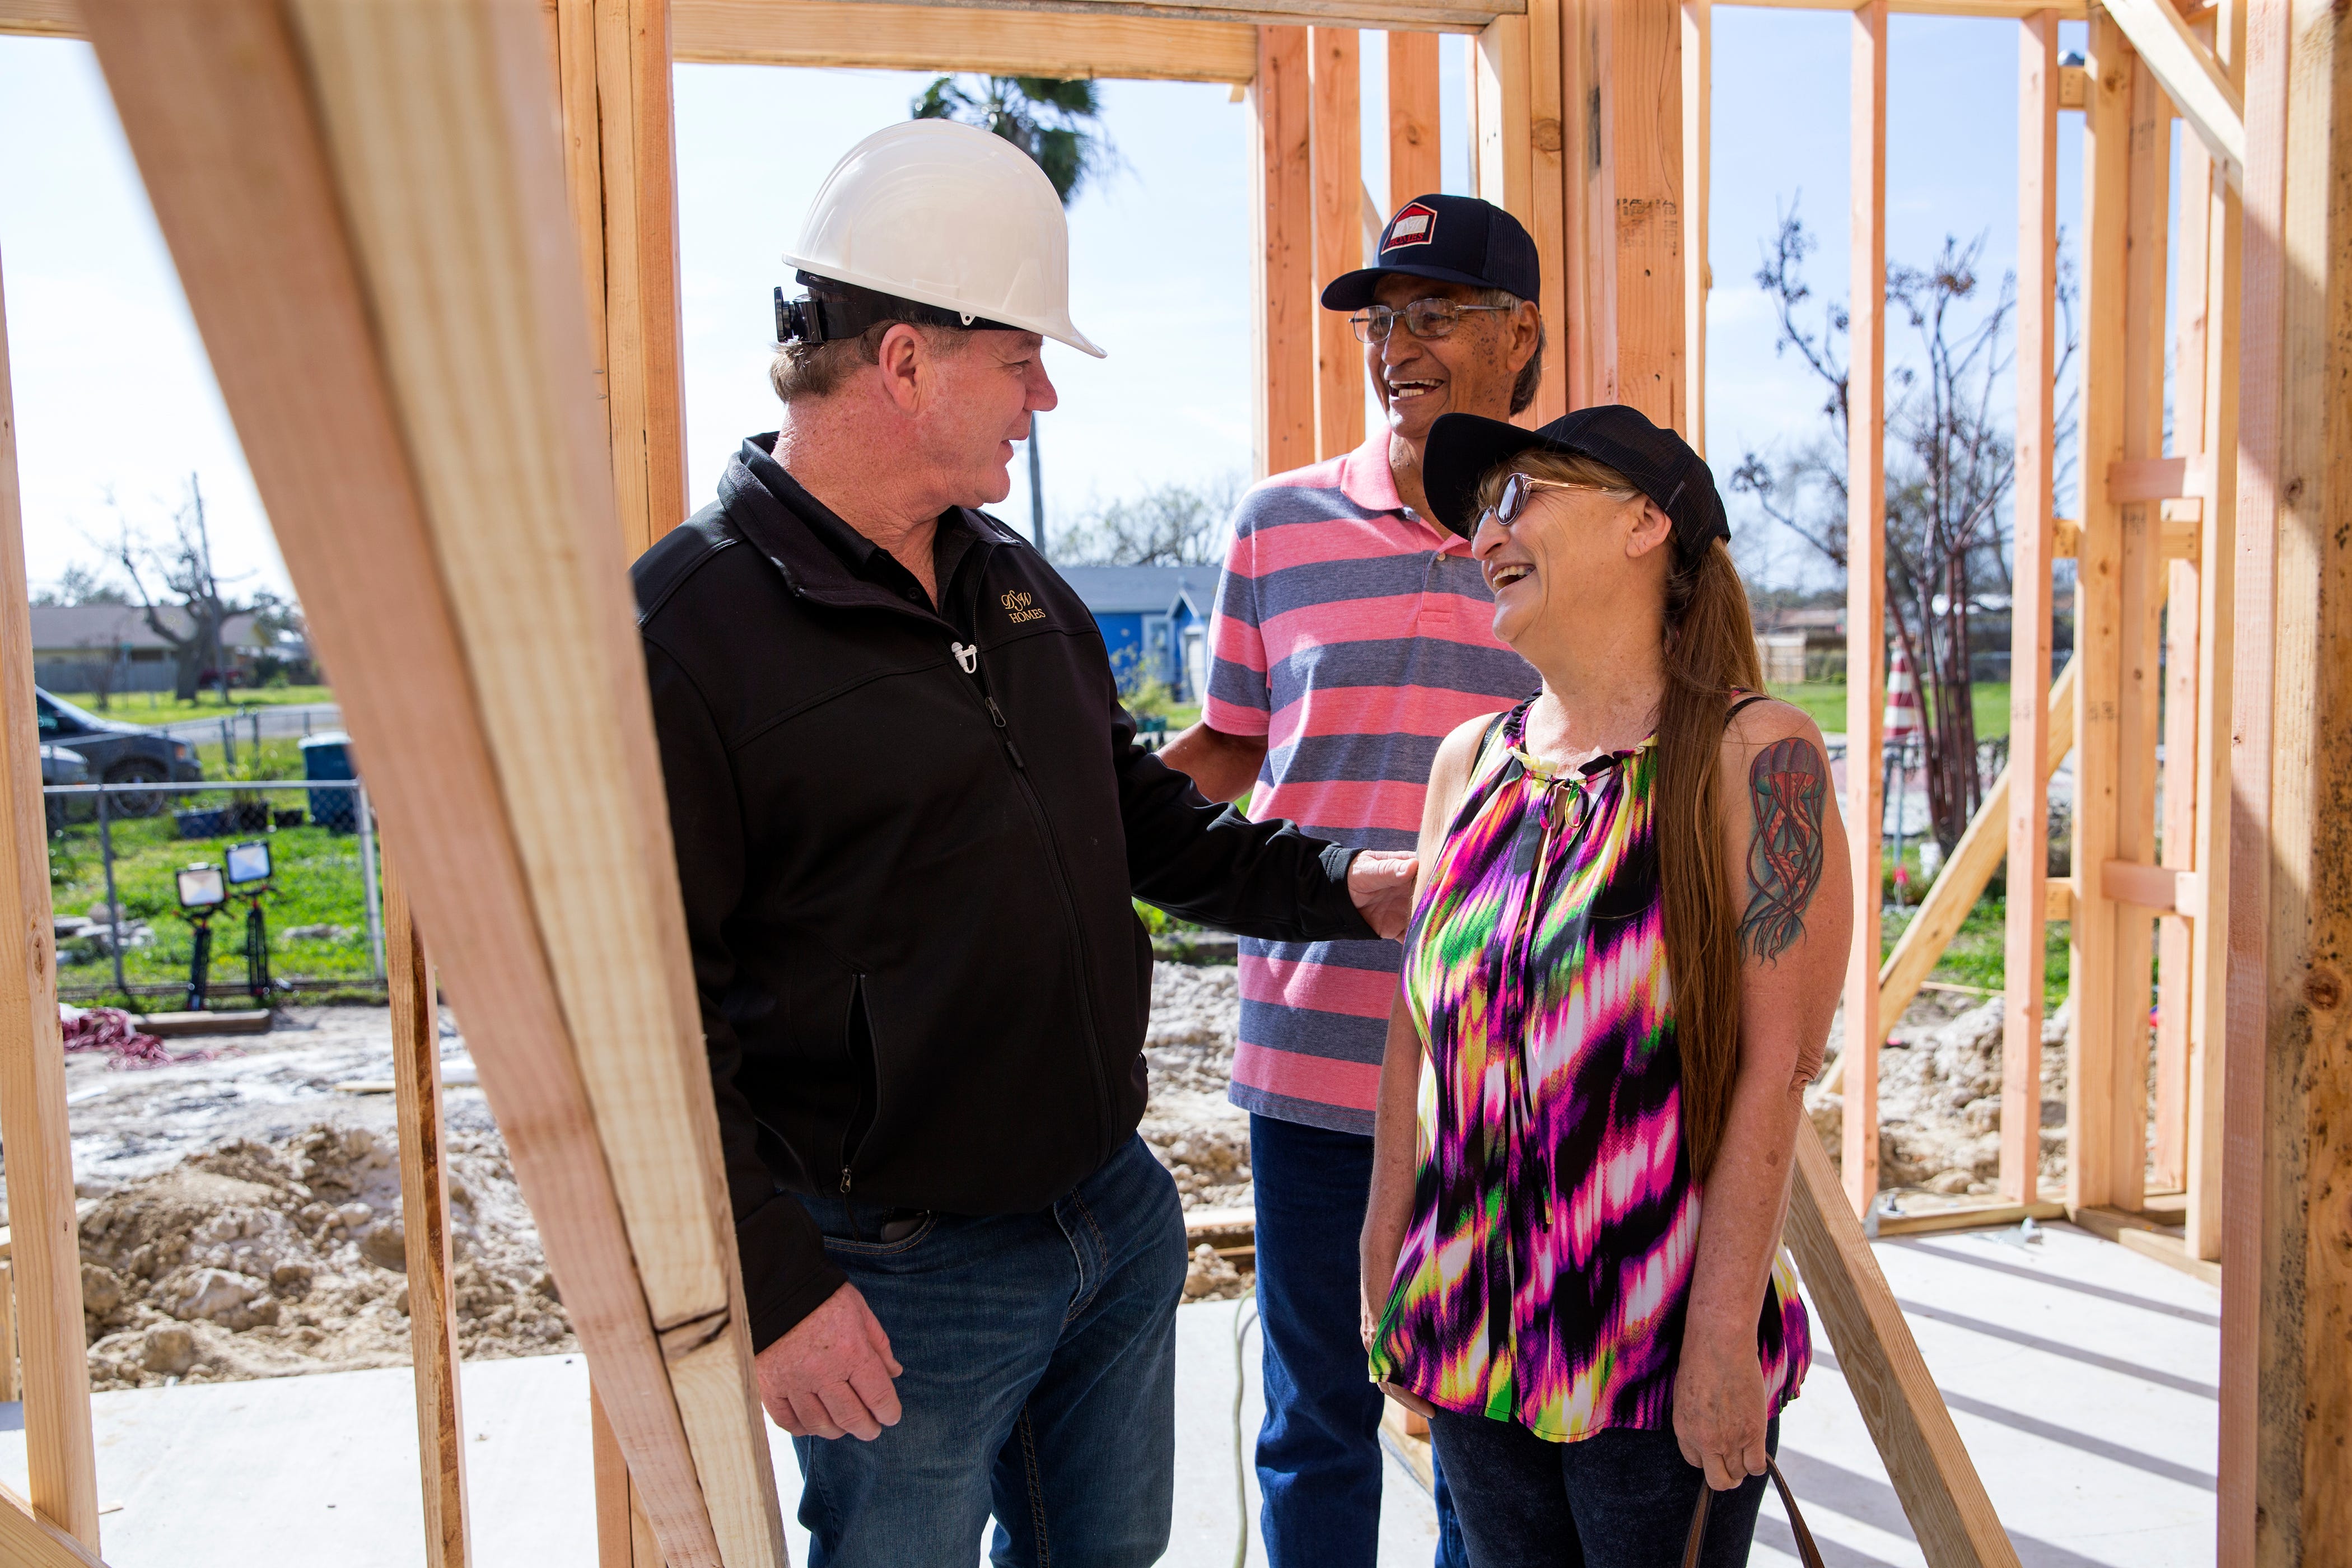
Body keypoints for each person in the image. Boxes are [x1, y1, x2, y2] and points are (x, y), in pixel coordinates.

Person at [633, 119, 1417, 1568]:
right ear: (906, 361)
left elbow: (1141, 823)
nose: (1044, 396)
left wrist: (1346, 886)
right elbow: (640, 1018)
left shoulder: (1015, 590)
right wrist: (771, 1281)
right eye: (1020, 359)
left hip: (1109, 1217)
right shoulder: (690, 632)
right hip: (899, 1273)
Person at [1358, 404, 1850, 1568]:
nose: (1489, 531)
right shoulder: (1468, 762)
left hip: (1656, 1347)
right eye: (1483, 510)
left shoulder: (1754, 756)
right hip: (1473, 1329)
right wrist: (1387, 1255)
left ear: (1646, 523)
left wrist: (1725, 1330)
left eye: (1523, 494)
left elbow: (1778, 1069)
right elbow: (1414, 1040)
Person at [1159, 193, 1544, 1568]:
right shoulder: (1278, 525)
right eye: (1386, 320)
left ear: (1523, 336)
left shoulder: (1572, 529)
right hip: (1313, 1056)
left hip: (1506, 1068)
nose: (1401, 346)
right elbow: (1224, 749)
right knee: (1317, 1415)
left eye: (1437, 315)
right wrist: (1072, 822)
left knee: (1479, 1426)